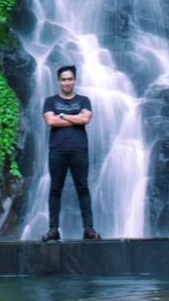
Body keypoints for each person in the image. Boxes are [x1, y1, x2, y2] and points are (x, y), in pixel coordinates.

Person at [41, 64, 101, 241]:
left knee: (82, 188)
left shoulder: (84, 100)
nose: (67, 83)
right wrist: (75, 119)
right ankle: (53, 229)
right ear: (58, 81)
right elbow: (50, 121)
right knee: (55, 189)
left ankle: (88, 228)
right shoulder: (50, 101)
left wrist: (61, 116)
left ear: (74, 80)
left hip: (79, 149)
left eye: (70, 79)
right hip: (57, 150)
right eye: (63, 79)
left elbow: (85, 119)